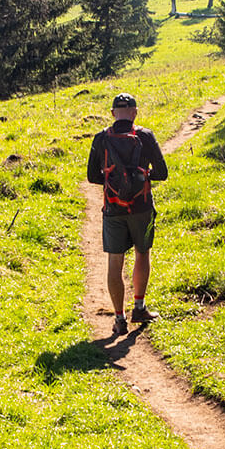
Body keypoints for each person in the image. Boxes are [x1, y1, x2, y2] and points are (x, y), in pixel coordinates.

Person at [88, 92, 169, 337]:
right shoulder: (144, 136)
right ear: (135, 112)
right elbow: (162, 173)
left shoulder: (101, 138)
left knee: (115, 260)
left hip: (113, 208)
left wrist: (114, 184)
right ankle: (140, 307)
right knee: (142, 253)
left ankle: (119, 318)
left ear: (113, 113)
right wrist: (143, 178)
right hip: (141, 207)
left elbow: (92, 176)